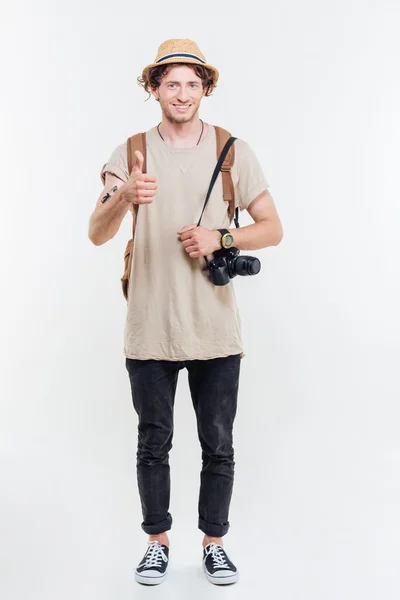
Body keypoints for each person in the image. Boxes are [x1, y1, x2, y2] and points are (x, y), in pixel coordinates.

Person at [88, 38, 283, 586]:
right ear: (153, 89)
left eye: (192, 83)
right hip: (150, 327)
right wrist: (125, 197)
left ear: (206, 89)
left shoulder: (232, 150)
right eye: (171, 83)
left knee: (218, 443)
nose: (182, 93)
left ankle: (214, 544)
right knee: (154, 442)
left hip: (216, 331)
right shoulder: (130, 152)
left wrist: (219, 233)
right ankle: (156, 542)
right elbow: (96, 232)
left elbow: (272, 227)